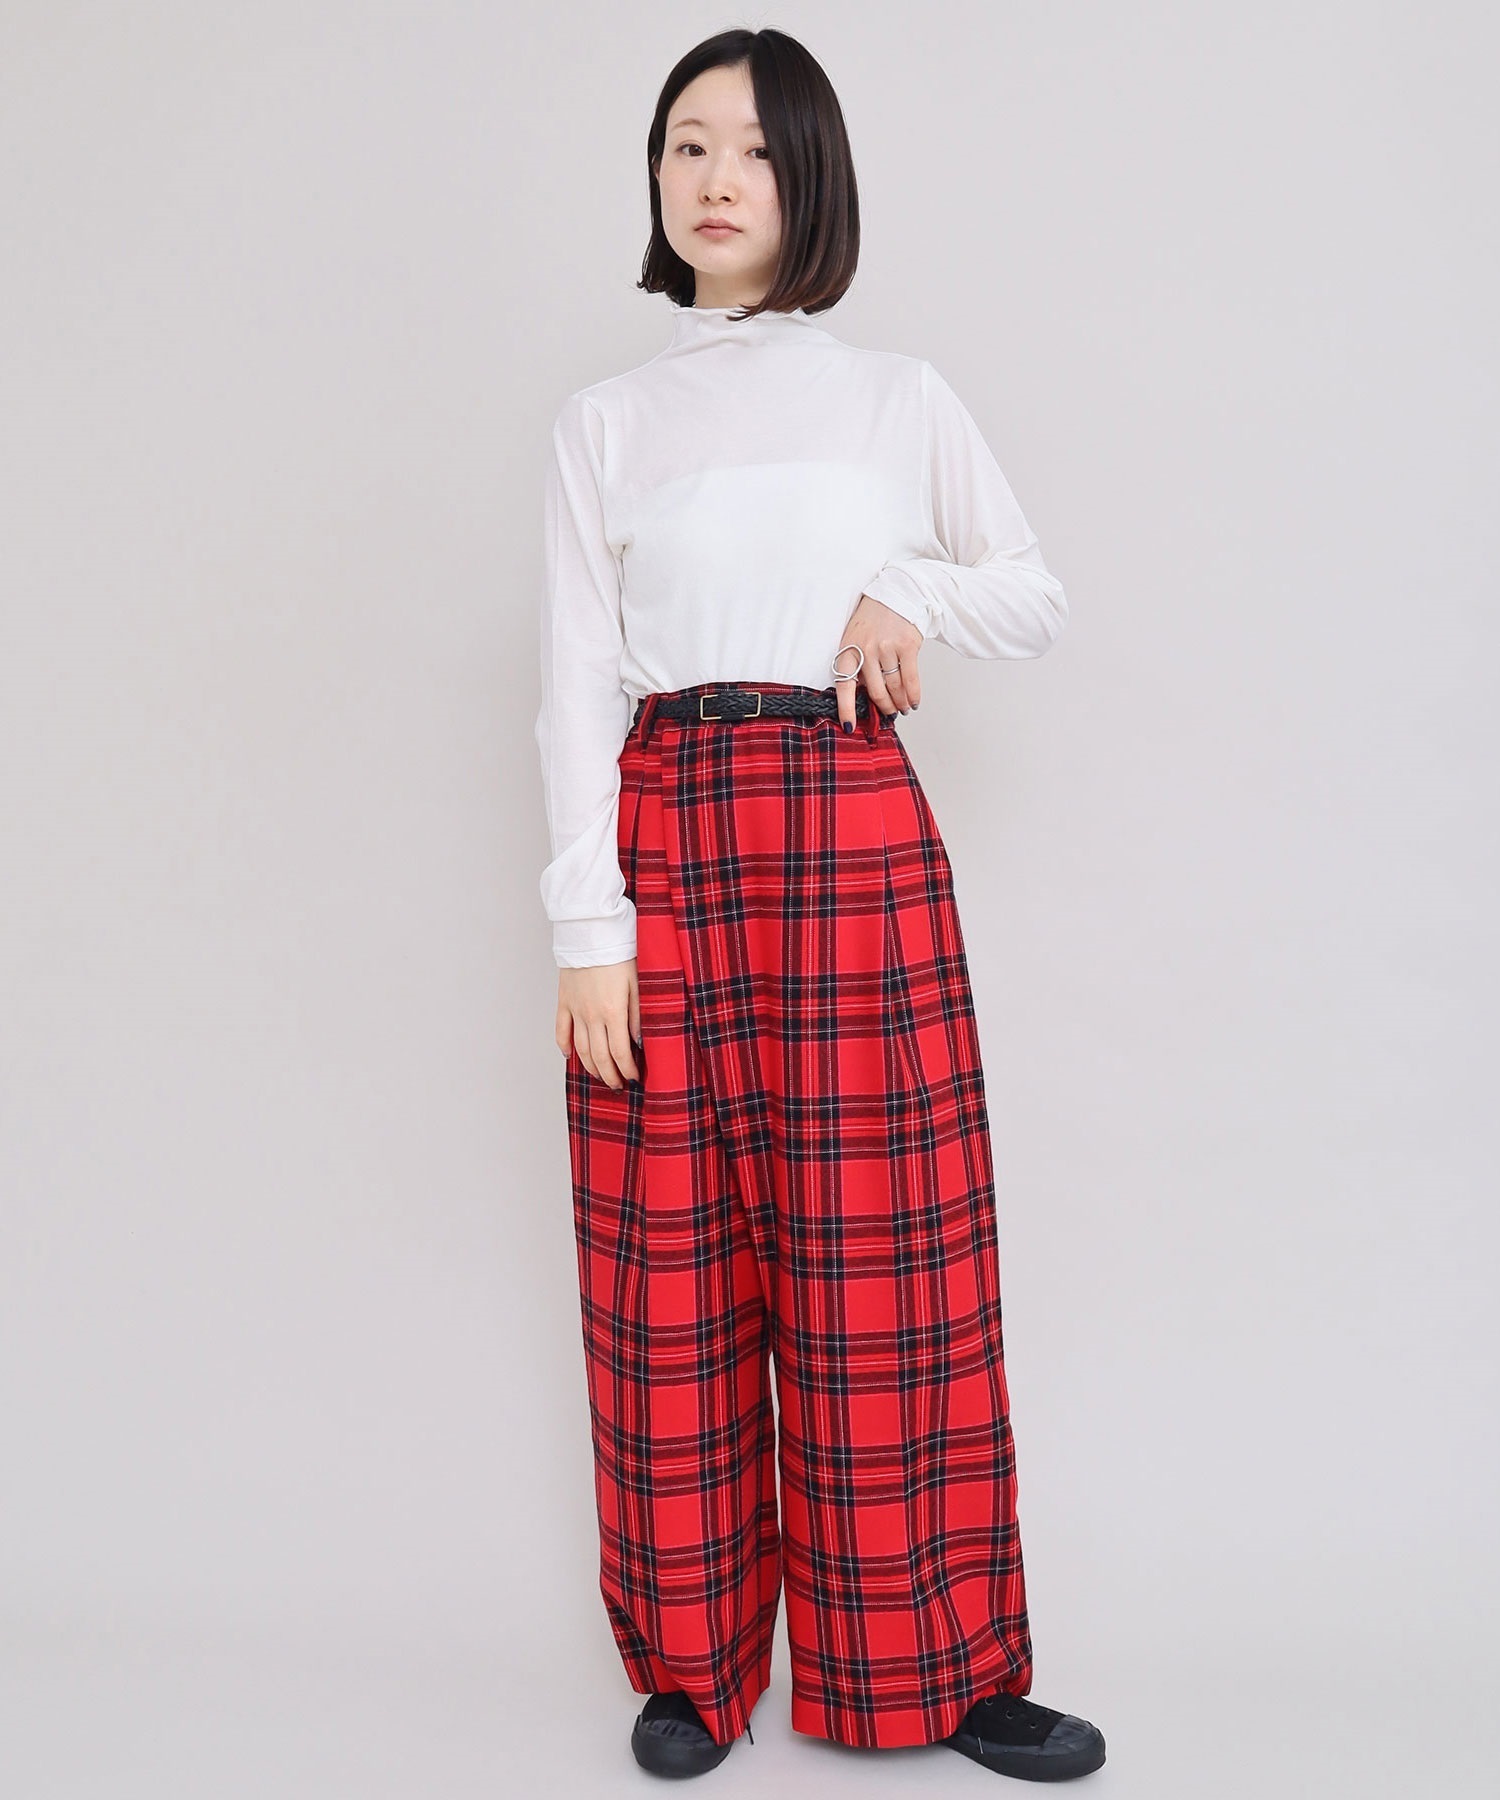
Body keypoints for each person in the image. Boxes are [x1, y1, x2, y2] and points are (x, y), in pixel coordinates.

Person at [533, 26, 1106, 1784]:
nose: (717, 181)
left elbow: (1034, 591)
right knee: (669, 1266)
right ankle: (692, 1669)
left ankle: (941, 1667)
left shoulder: (897, 398)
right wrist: (588, 928)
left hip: (848, 823)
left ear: (814, 181)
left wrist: (906, 588)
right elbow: (574, 686)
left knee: (891, 1261)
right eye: (686, 145)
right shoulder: (607, 424)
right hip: (663, 825)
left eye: (758, 152)